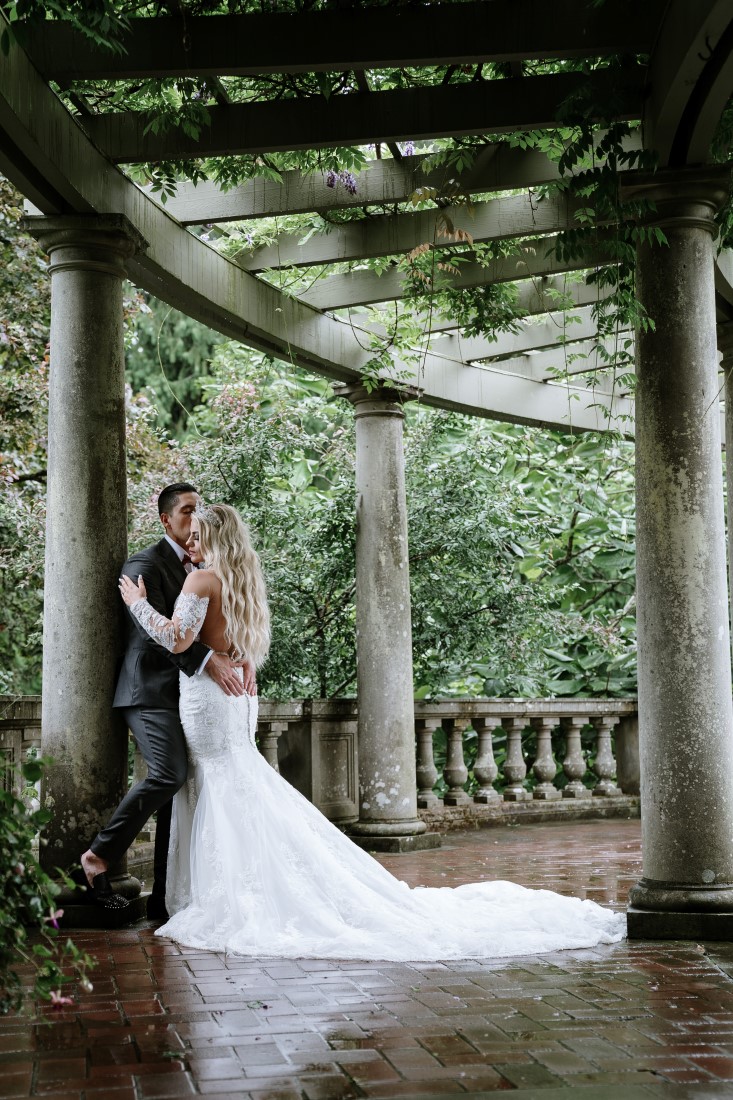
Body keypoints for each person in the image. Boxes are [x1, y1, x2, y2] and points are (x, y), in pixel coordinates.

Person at [119, 502, 626, 959]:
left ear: (215, 538)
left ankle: (228, 894)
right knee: (237, 783)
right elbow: (239, 646)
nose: (192, 543)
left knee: (220, 785)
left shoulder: (201, 581)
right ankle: (240, 885)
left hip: (211, 701)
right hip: (237, 699)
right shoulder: (244, 580)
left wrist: (138, 604)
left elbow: (177, 637)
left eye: (199, 535)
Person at [79, 484, 255, 917]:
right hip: (150, 691)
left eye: (199, 512)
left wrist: (238, 656)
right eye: (187, 511)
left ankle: (166, 898)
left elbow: (216, 620)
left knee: (187, 785)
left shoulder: (205, 565)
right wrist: (208, 661)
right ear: (166, 519)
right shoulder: (146, 563)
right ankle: (98, 855)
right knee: (169, 773)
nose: (193, 520)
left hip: (188, 694)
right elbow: (160, 638)